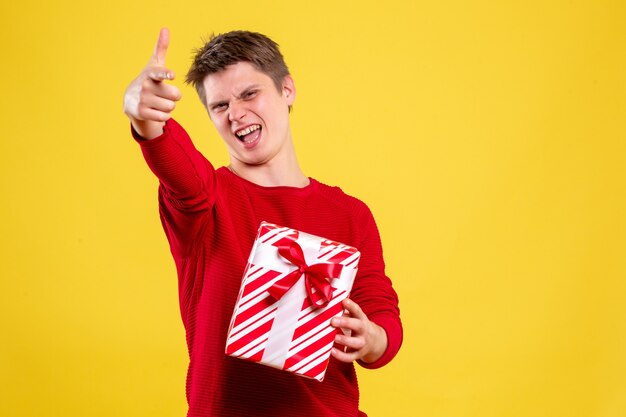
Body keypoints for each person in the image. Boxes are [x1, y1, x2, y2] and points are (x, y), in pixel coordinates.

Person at [123, 28, 402, 417]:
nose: (236, 113)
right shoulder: (206, 202)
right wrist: (147, 121)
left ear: (287, 90)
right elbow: (180, 172)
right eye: (219, 106)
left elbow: (381, 312)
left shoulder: (350, 214)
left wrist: (372, 339)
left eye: (249, 94)